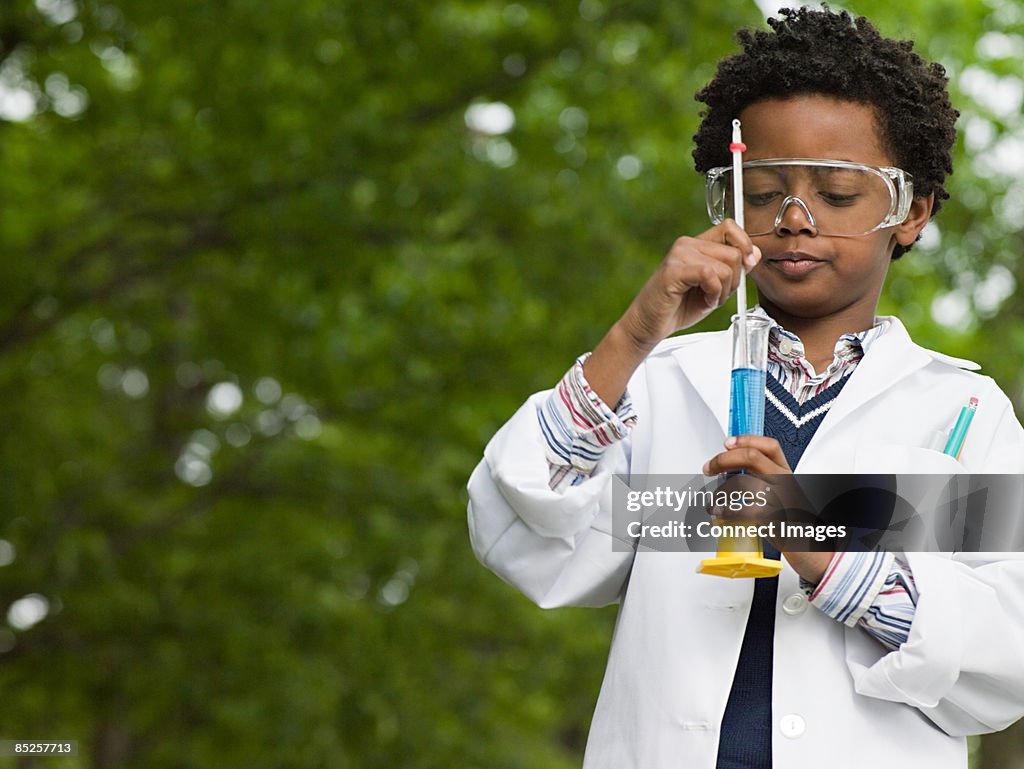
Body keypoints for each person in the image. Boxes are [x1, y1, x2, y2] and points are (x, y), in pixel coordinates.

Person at [466, 6, 1024, 769]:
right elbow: (522, 536)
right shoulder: (658, 385)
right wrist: (636, 331)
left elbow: (1009, 649)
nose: (794, 220)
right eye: (761, 191)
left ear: (911, 210)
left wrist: (822, 550)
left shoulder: (961, 414)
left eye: (836, 193)